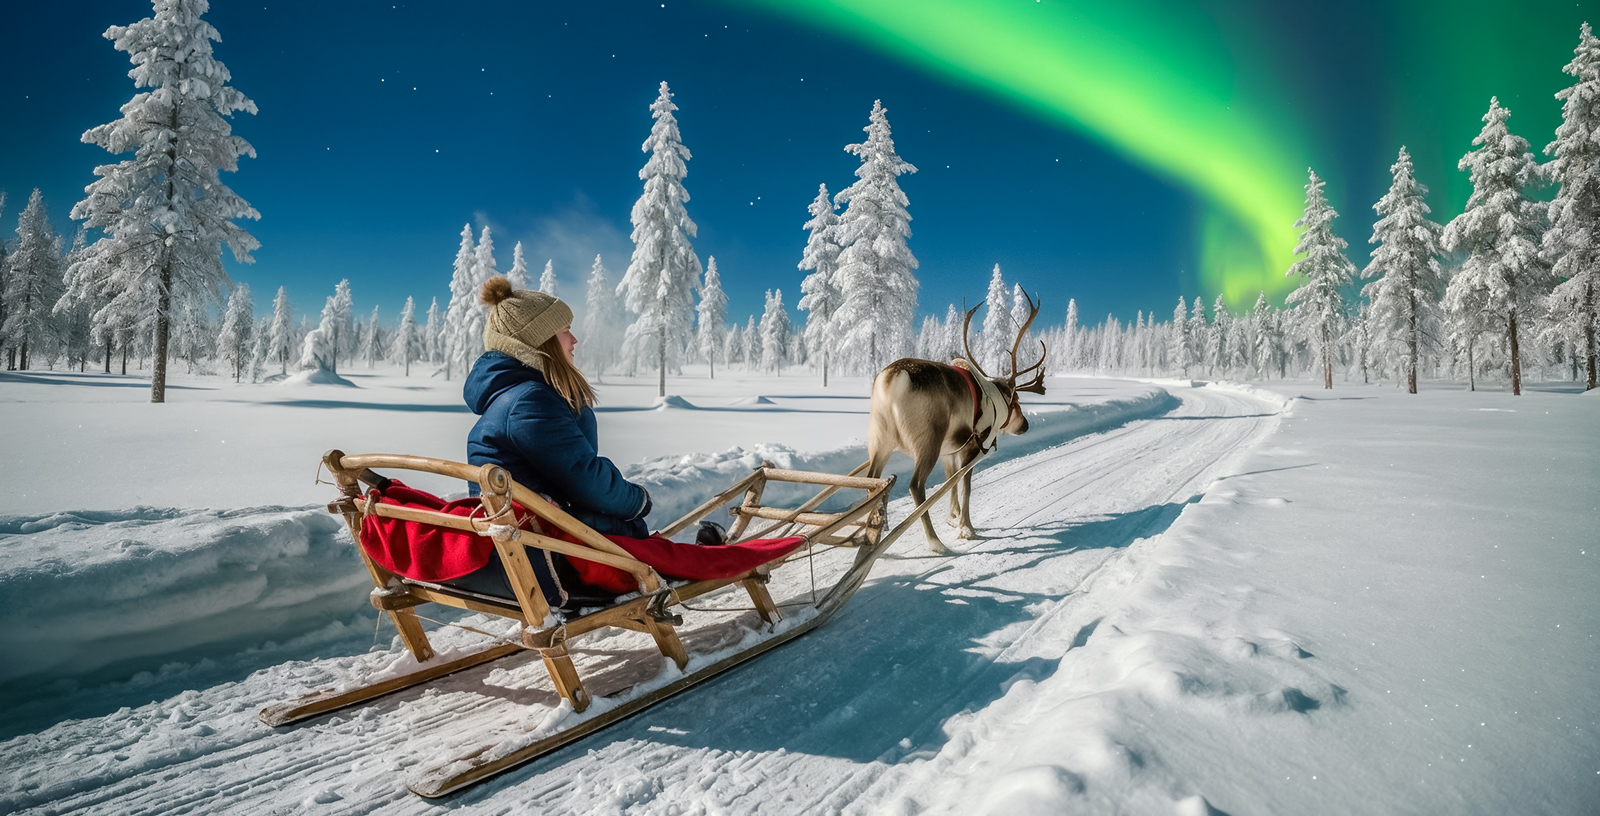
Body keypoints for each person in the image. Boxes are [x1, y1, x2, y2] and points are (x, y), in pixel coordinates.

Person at [451, 277, 652, 606]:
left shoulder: (514, 397)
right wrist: (639, 501)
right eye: (564, 330)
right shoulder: (530, 401)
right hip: (550, 557)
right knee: (633, 529)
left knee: (625, 525)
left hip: (531, 541)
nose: (574, 340)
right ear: (539, 340)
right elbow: (586, 479)